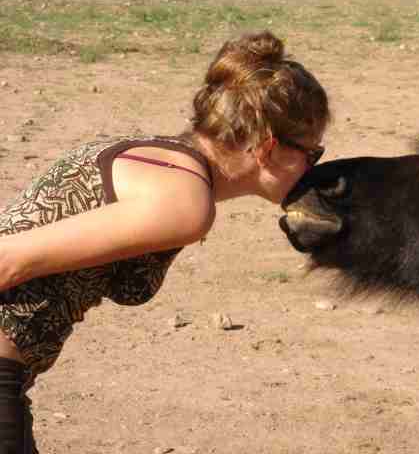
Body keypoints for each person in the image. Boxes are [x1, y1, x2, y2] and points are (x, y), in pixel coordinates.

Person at [0, 30, 331, 452]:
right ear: (267, 147)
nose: (312, 169)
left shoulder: (151, 154)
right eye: (312, 154)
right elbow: (7, 261)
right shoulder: (185, 203)